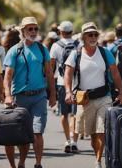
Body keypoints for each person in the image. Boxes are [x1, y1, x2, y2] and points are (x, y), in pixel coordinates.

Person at [64, 22, 122, 168]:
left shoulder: (105, 53)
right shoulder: (76, 54)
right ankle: (96, 154)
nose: (93, 37)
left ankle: (98, 160)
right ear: (84, 37)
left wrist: (121, 92)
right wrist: (68, 91)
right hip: (85, 99)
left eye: (95, 34)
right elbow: (68, 73)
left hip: (104, 97)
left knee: (101, 129)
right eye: (89, 35)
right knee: (92, 134)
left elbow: (115, 73)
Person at [3, 16, 56, 168]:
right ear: (23, 31)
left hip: (39, 96)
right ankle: (21, 162)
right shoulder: (14, 51)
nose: (33, 32)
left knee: (37, 131)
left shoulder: (42, 49)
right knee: (23, 136)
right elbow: (7, 76)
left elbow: (49, 73)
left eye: (35, 29)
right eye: (29, 29)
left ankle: (38, 163)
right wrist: (7, 95)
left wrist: (52, 94)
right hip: (20, 98)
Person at [50, 21, 79, 153]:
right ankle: (74, 141)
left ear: (60, 32)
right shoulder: (78, 45)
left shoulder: (56, 46)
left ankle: (67, 140)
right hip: (77, 83)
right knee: (75, 114)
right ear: (72, 32)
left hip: (62, 82)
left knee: (64, 113)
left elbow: (51, 66)